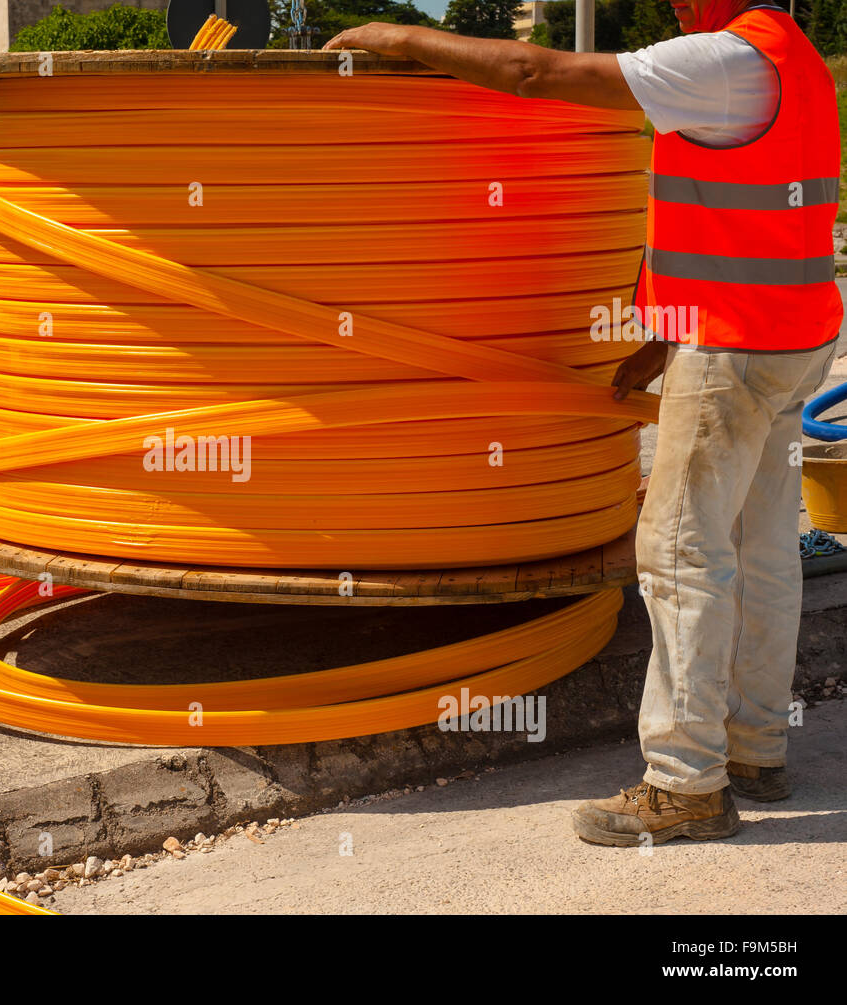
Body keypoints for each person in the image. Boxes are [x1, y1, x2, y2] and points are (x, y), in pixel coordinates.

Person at [324, 1, 843, 846]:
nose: (675, 3)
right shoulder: (797, 59)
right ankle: (756, 748)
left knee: (681, 553)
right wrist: (662, 330)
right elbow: (744, 208)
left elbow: (537, 73)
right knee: (761, 549)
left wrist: (399, 35)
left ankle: (685, 784)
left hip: (737, 344)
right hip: (797, 333)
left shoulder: (723, 60)